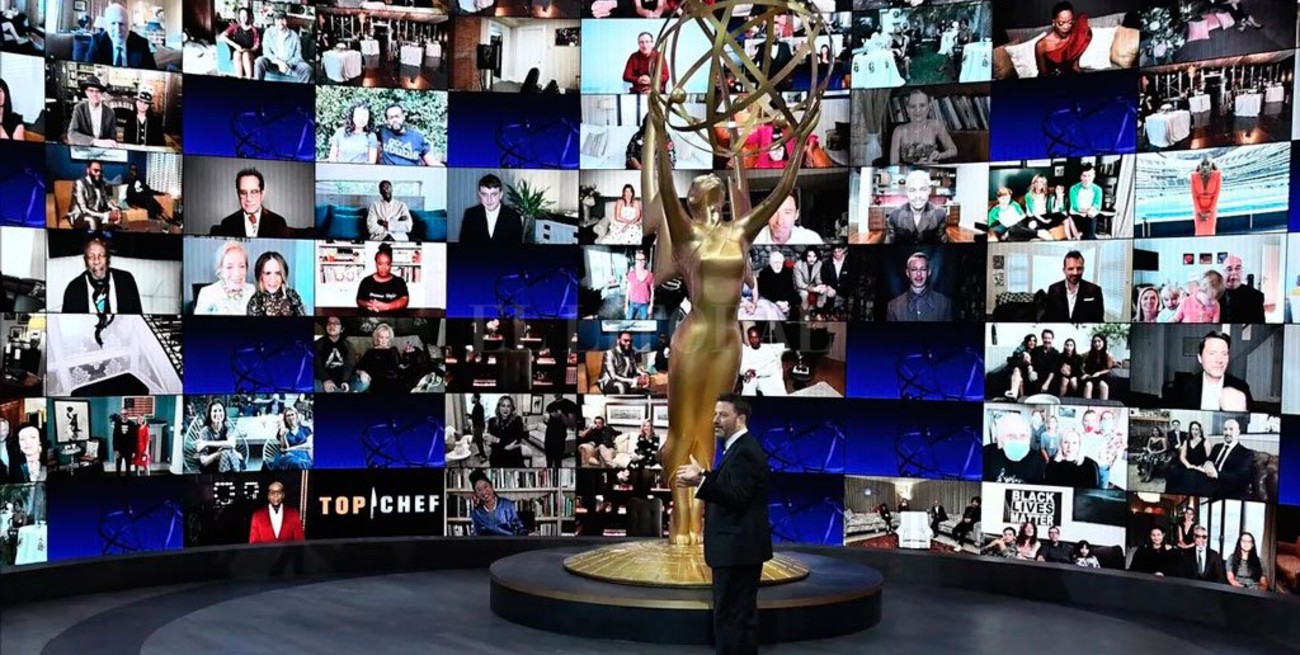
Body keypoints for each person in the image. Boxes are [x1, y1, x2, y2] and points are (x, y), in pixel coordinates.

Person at [674, 394, 771, 655]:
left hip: (737, 550)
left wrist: (701, 482)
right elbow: (731, 483)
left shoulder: (746, 451)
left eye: (723, 415)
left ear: (740, 419)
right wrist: (704, 475)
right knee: (737, 616)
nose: (715, 420)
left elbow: (737, 496)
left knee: (731, 616)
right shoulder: (739, 448)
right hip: (739, 549)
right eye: (715, 414)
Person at [1164, 332, 1253, 411]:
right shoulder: (1183, 387)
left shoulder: (1241, 387)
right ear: (1200, 358)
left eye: (1224, 354)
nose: (1219, 360)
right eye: (1212, 353)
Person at [61, 236, 143, 314]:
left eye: (101, 255)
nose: (96, 261)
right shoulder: (73, 289)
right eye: (91, 257)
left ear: (108, 259)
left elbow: (137, 318)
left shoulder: (126, 281)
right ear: (86, 261)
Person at [213, 168, 290, 238]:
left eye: (253, 192)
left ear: (262, 194)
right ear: (238, 194)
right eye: (243, 193)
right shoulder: (227, 224)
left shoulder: (278, 222)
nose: (248, 199)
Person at [889, 89, 957, 165]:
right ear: (907, 109)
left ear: (929, 106)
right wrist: (914, 166)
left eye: (922, 105)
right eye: (913, 106)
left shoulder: (936, 125)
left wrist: (940, 155)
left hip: (932, 170)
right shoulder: (898, 131)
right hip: (908, 172)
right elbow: (893, 163)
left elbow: (953, 150)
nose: (918, 110)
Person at [884, 170, 948, 244]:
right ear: (906, 192)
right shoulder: (895, 215)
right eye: (912, 190)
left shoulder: (940, 214)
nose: (918, 196)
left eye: (923, 189)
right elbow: (889, 242)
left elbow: (941, 243)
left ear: (929, 191)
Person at [86, 3, 157, 69]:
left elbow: (152, 73)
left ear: (128, 26)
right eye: (113, 24)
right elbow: (88, 70)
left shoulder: (141, 43)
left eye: (121, 24)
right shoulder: (97, 42)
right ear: (107, 27)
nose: (118, 30)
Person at [193, 240, 255, 315]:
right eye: (229, 267)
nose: (237, 273)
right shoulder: (207, 294)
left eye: (241, 266)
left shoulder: (252, 291)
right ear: (220, 270)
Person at [886, 251, 951, 321]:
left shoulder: (944, 303)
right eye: (914, 269)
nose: (919, 274)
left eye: (923, 269)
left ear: (929, 272)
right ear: (907, 273)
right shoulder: (893, 306)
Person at [183, 399, 244, 473]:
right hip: (212, 466)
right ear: (210, 414)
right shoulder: (205, 431)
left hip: (229, 462)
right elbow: (204, 462)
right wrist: (218, 453)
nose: (218, 414)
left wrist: (206, 443)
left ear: (224, 413)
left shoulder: (227, 426)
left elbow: (232, 444)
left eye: (220, 410)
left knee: (227, 454)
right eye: (215, 411)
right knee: (226, 453)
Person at [458, 174, 524, 244]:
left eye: (493, 194)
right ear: (479, 195)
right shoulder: (470, 215)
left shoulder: (513, 216)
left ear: (501, 195)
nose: (489, 200)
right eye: (484, 194)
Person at [983, 412, 1046, 483]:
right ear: (1000, 439)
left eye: (1023, 436)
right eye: (1011, 436)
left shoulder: (1038, 460)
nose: (1018, 441)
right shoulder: (985, 455)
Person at [1043, 250, 1104, 322]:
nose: (1075, 273)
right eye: (1071, 269)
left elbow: (1099, 320)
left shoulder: (1095, 290)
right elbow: (1048, 318)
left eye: (1079, 268)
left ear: (1083, 269)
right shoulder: (1053, 289)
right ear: (1064, 270)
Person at [1203, 418, 1256, 499]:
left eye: (1231, 429)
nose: (1227, 433)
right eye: (1225, 429)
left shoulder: (1246, 454)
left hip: (1228, 491)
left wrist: (1216, 474)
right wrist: (1208, 463)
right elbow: (1209, 460)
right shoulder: (1217, 447)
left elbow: (1240, 479)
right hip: (1208, 484)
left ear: (1238, 432)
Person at [1035, 2, 1091, 76]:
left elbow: (1075, 66)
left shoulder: (1074, 36)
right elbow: (1043, 73)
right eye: (1061, 23)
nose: (1066, 26)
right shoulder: (1042, 45)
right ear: (1054, 22)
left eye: (1070, 22)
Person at [254, 11, 312, 83]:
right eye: (278, 20)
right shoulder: (268, 33)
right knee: (259, 61)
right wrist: (279, 63)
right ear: (274, 21)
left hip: (290, 66)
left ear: (286, 21)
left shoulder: (294, 35)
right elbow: (266, 52)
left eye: (283, 19)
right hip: (273, 64)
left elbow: (298, 56)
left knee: (307, 68)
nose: (280, 22)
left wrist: (287, 64)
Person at [246, 251, 306, 317]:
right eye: (268, 273)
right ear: (260, 276)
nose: (273, 279)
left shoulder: (292, 295)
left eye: (278, 273)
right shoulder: (255, 302)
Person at [355, 244, 410, 314]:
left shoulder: (399, 282)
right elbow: (359, 300)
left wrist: (387, 306)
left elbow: (404, 300)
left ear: (391, 264)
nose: (384, 268)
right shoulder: (366, 281)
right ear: (376, 263)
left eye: (387, 264)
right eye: (380, 264)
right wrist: (369, 304)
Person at [469, 469, 528, 536]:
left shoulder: (507, 505)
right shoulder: (476, 513)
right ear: (476, 493)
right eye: (479, 490)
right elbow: (476, 535)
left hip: (508, 541)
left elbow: (519, 528)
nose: (484, 492)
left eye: (485, 487)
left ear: (491, 487)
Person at [753, 192, 823, 245]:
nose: (779, 221)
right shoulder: (754, 239)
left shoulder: (812, 239)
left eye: (787, 212)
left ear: (796, 214)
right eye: (774, 212)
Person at [67, 77, 117, 147]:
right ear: (86, 92)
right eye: (91, 91)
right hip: (84, 149)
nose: (94, 94)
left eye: (98, 91)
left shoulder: (110, 112)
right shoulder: (79, 109)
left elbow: (112, 139)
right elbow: (72, 134)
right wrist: (94, 141)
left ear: (101, 93)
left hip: (103, 150)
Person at [352, 323, 402, 393]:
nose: (384, 340)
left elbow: (400, 367)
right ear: (377, 337)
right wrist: (362, 373)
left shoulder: (394, 350)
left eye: (387, 337)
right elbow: (357, 369)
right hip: (378, 383)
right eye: (381, 337)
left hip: (395, 382)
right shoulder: (371, 352)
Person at [739, 326, 786, 396]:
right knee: (748, 386)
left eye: (756, 337)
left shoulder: (768, 350)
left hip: (766, 377)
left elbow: (770, 369)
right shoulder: (746, 351)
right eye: (751, 338)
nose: (754, 340)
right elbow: (741, 368)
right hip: (751, 377)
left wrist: (756, 373)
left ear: (760, 338)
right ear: (748, 339)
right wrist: (746, 371)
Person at [1219, 255, 1265, 323]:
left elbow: (1259, 323)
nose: (1234, 274)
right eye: (1229, 269)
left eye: (1238, 268)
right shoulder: (1212, 294)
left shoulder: (1256, 296)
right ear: (1222, 273)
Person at [218, 7, 260, 79]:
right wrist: (235, 45)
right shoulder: (235, 26)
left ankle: (249, 78)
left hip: (250, 53)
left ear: (249, 17)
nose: (243, 18)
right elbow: (222, 36)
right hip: (238, 51)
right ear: (239, 16)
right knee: (236, 53)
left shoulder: (254, 30)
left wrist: (247, 50)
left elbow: (256, 47)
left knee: (246, 55)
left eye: (245, 16)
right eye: (241, 15)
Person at [314, 316, 354, 392]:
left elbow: (350, 365)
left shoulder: (347, 345)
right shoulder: (318, 344)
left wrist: (345, 380)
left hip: (343, 381)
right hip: (322, 381)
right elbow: (317, 364)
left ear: (342, 329)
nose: (332, 325)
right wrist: (326, 379)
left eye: (336, 323)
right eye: (329, 323)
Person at [486, 396, 527, 468]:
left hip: (513, 457)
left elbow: (517, 439)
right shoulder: (492, 421)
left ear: (512, 408)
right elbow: (491, 443)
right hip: (497, 457)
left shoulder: (517, 420)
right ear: (499, 407)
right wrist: (505, 447)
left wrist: (497, 440)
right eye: (503, 405)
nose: (505, 409)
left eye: (508, 406)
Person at [1067, 165, 1102, 239]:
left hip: (1090, 215)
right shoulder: (1074, 188)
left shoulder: (1098, 189)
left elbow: (1097, 205)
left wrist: (1091, 210)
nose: (1087, 179)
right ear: (1081, 177)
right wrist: (1086, 210)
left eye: (1089, 176)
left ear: (1093, 176)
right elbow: (1075, 206)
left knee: (1090, 222)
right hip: (1076, 215)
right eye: (1084, 176)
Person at [543, 394, 577, 468]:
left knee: (558, 462)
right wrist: (545, 419)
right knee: (548, 462)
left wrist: (561, 415)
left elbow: (571, 425)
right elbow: (546, 421)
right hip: (548, 437)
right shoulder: (549, 406)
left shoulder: (570, 404)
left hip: (559, 438)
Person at [1190, 155, 1220, 236]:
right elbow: (1194, 196)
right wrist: (1199, 212)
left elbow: (1216, 194)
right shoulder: (1194, 176)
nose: (1205, 166)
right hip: (1198, 210)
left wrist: (1210, 211)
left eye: (1207, 163)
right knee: (1199, 232)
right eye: (1203, 164)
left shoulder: (1217, 175)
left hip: (1211, 209)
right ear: (1200, 165)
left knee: (1210, 232)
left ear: (1211, 164)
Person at [625, 250, 655, 319]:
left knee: (644, 323)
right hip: (633, 303)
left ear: (645, 261)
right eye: (638, 260)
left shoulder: (650, 275)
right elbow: (628, 290)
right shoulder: (631, 275)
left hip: (644, 304)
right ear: (635, 261)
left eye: (642, 260)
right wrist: (626, 305)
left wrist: (651, 306)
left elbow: (652, 292)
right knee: (628, 322)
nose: (640, 262)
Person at [470, 393, 487, 459]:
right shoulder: (476, 406)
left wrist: (471, 417)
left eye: (473, 397)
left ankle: (484, 456)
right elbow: (475, 416)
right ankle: (480, 452)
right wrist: (471, 416)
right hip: (477, 426)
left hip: (479, 426)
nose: (471, 399)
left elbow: (479, 418)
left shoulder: (479, 407)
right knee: (477, 441)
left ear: (476, 399)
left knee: (479, 441)